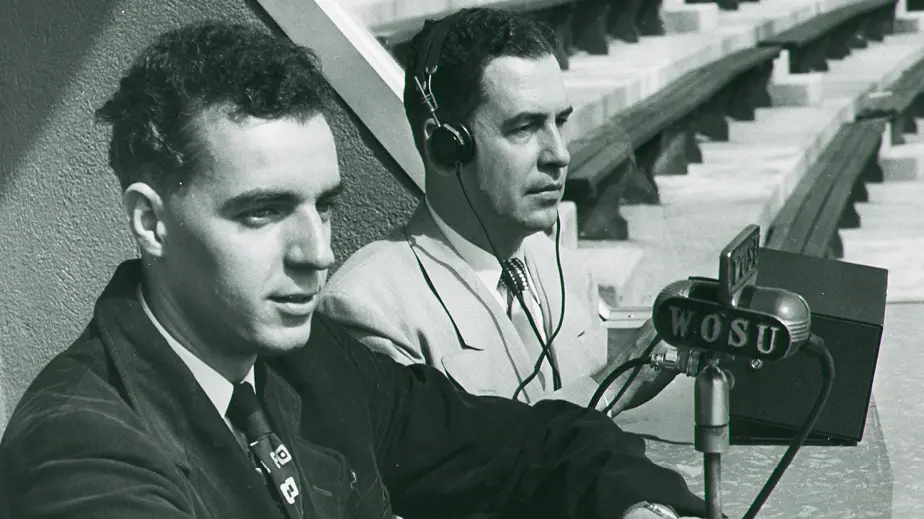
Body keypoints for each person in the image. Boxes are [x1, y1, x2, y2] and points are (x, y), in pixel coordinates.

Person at [0, 22, 705, 519]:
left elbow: (532, 443)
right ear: (152, 222)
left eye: (324, 207)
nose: (317, 252)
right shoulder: (78, 453)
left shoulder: (311, 363)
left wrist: (640, 505)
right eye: (263, 212)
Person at [319, 8, 676, 415]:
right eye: (524, 128)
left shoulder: (562, 268)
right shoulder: (369, 308)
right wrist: (618, 384)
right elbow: (455, 468)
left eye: (560, 122)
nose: (559, 154)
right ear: (446, 148)